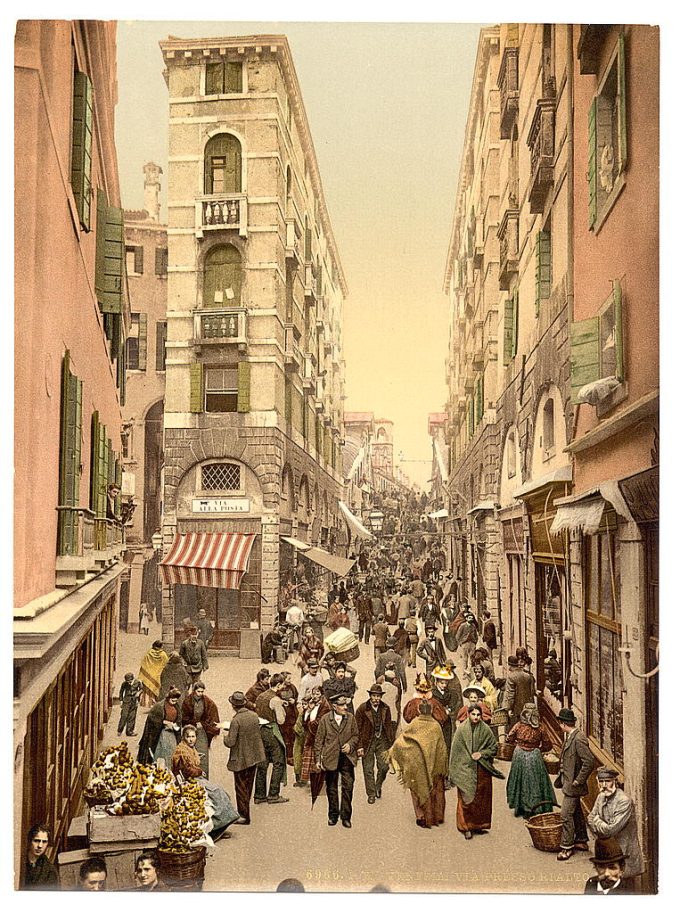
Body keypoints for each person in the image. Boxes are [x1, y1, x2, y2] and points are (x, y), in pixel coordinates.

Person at [172, 725, 240, 840]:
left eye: (193, 737)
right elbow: (187, 770)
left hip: (195, 778)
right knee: (216, 792)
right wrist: (199, 771)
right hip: (188, 781)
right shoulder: (181, 750)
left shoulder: (189, 748)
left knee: (220, 790)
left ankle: (220, 825)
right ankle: (214, 828)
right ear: (184, 737)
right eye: (188, 737)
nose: (191, 739)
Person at [448, 704, 504, 839]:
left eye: (478, 715)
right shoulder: (461, 730)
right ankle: (465, 826)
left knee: (481, 798)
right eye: (473, 714)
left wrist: (482, 753)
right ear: (468, 715)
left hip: (482, 768)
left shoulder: (486, 730)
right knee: (466, 797)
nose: (476, 717)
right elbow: (455, 752)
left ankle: (478, 825)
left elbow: (493, 747)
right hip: (465, 768)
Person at [389, 700, 448, 828]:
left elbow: (400, 742)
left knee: (416, 789)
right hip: (434, 764)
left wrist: (399, 754)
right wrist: (441, 764)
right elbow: (442, 748)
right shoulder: (436, 726)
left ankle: (420, 816)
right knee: (436, 789)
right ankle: (437, 817)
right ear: (431, 711)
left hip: (417, 764)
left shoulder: (414, 724)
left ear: (420, 711)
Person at [555, 707, 596, 860]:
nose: (559, 725)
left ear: (564, 724)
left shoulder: (578, 739)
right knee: (577, 812)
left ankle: (566, 847)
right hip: (568, 783)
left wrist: (578, 780)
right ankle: (582, 840)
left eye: (560, 723)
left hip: (573, 786)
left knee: (565, 815)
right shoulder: (571, 736)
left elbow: (589, 761)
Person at [587, 767, 644, 878]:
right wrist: (598, 822)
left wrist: (597, 821)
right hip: (607, 853)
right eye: (601, 781)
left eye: (608, 781)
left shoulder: (624, 801)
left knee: (624, 888)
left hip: (624, 854)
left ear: (615, 782)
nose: (604, 785)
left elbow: (611, 830)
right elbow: (589, 818)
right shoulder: (601, 797)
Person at [314, 695, 359, 828]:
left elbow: (356, 735)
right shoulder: (325, 719)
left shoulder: (350, 718)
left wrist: (350, 745)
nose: (345, 707)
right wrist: (318, 759)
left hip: (347, 758)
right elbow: (318, 741)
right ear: (334, 707)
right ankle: (333, 815)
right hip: (330, 758)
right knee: (331, 788)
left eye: (346, 704)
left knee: (348, 787)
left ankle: (346, 817)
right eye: (342, 705)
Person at [505, 703, 557, 818]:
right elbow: (548, 744)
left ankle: (519, 807)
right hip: (534, 755)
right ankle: (534, 808)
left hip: (519, 755)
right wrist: (539, 749)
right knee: (534, 782)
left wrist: (518, 744)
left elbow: (509, 738)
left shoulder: (518, 725)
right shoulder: (540, 727)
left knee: (519, 780)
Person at [223, 691, 265, 825]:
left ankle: (244, 815)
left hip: (241, 758)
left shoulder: (236, 720)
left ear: (233, 706)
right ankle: (245, 811)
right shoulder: (254, 716)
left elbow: (230, 742)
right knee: (248, 785)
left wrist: (225, 736)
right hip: (253, 756)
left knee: (240, 787)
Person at [254, 672, 289, 804]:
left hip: (260, 731)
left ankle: (259, 795)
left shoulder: (260, 696)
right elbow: (280, 721)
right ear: (278, 685)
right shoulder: (276, 700)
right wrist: (282, 708)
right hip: (271, 731)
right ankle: (273, 794)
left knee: (262, 763)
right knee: (278, 762)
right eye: (282, 685)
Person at [355, 684, 394, 804]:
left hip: (382, 740)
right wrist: (359, 746)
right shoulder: (362, 708)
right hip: (367, 742)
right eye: (374, 696)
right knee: (368, 769)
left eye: (378, 696)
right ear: (370, 696)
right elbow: (357, 729)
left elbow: (389, 727)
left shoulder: (386, 708)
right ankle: (371, 793)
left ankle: (378, 786)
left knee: (384, 767)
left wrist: (391, 745)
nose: (376, 698)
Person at [181, 680, 221, 777]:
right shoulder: (187, 701)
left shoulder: (207, 701)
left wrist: (206, 725)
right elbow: (184, 717)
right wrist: (194, 723)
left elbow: (212, 712)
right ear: (194, 691)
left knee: (203, 755)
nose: (200, 694)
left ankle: (203, 776)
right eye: (198, 691)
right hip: (190, 730)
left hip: (202, 732)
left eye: (202, 691)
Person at [137, 686, 182, 765]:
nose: (174, 703)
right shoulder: (159, 707)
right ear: (168, 698)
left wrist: (175, 725)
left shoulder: (176, 706)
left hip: (171, 733)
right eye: (172, 701)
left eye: (176, 701)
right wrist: (164, 722)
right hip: (159, 734)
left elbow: (179, 719)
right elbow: (153, 721)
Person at [300, 686, 332, 785]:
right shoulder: (312, 704)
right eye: (313, 694)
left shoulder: (325, 706)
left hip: (320, 736)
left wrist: (310, 723)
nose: (315, 696)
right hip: (312, 735)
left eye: (317, 694)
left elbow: (319, 722)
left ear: (321, 694)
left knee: (320, 757)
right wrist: (308, 711)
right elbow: (305, 720)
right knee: (312, 757)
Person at [431, 663, 463, 757]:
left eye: (446, 683)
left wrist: (450, 709)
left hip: (446, 720)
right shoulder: (432, 693)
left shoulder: (450, 693)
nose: (444, 685)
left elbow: (455, 702)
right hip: (435, 721)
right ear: (436, 682)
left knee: (447, 742)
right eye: (442, 683)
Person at [21, 823, 58, 890]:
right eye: (36, 841)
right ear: (29, 841)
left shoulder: (50, 871)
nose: (40, 846)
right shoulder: (20, 862)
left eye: (44, 842)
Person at [501, 655, 536, 724]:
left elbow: (510, 694)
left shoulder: (511, 677)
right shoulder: (528, 676)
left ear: (510, 665)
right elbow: (532, 692)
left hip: (516, 709)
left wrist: (508, 709)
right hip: (527, 708)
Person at [138, 639, 169, 708]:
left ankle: (147, 703)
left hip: (149, 675)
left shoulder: (149, 653)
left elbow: (143, 665)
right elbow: (166, 664)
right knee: (157, 689)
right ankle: (156, 704)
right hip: (158, 675)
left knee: (148, 689)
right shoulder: (163, 654)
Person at [117, 672, 142, 737]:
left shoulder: (138, 682)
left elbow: (141, 689)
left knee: (132, 717)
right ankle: (120, 730)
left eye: (130, 681)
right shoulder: (124, 684)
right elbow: (121, 692)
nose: (129, 683)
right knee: (124, 716)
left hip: (134, 701)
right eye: (127, 681)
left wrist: (138, 693)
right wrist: (121, 700)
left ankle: (129, 732)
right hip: (126, 701)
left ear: (133, 679)